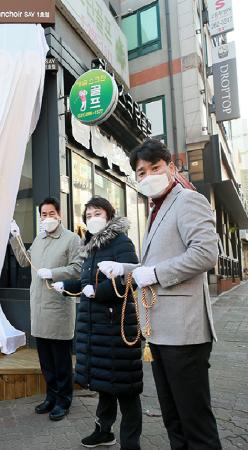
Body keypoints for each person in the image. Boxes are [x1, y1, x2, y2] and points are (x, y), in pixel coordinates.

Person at [98, 139, 221, 449]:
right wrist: (126, 269)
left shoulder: (187, 200)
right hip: (160, 332)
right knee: (173, 419)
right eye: (141, 172)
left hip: (184, 332)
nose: (148, 175)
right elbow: (153, 263)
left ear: (172, 168)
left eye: (155, 168)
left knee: (195, 422)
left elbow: (206, 253)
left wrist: (154, 274)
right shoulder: (157, 209)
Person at [55, 196, 142, 450]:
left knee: (126, 388)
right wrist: (67, 285)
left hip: (116, 327)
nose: (93, 219)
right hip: (94, 328)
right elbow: (86, 285)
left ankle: (131, 443)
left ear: (109, 215)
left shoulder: (121, 242)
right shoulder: (90, 246)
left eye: (98, 213)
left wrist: (99, 291)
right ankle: (104, 431)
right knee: (104, 383)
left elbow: (131, 278)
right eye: (89, 215)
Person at [9, 197, 82, 421]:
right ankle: (51, 397)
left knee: (61, 361)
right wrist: (16, 237)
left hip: (58, 308)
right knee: (46, 361)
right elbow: (24, 261)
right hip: (39, 308)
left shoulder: (71, 239)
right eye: (43, 214)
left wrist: (53, 273)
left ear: (59, 215)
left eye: (51, 213)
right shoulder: (39, 239)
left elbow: (78, 268)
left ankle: (64, 400)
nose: (47, 218)